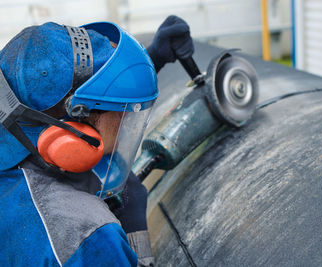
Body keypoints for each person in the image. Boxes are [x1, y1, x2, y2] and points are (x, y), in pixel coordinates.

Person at [0, 15, 193, 266]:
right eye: (123, 112)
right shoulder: (90, 236)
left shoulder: (16, 124)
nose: (126, 121)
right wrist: (135, 232)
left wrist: (150, 59)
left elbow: (53, 99)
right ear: (74, 129)